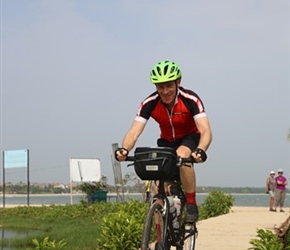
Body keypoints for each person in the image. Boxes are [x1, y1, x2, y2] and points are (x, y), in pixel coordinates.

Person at [115, 60, 212, 223]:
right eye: (160, 87)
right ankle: (161, 240)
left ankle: (191, 204)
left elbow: (205, 130)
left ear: (178, 82)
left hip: (189, 138)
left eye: (169, 86)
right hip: (166, 142)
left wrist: (201, 149)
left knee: (182, 156)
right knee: (157, 189)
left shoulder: (190, 99)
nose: (165, 91)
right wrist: (124, 149)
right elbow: (134, 132)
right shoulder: (149, 103)